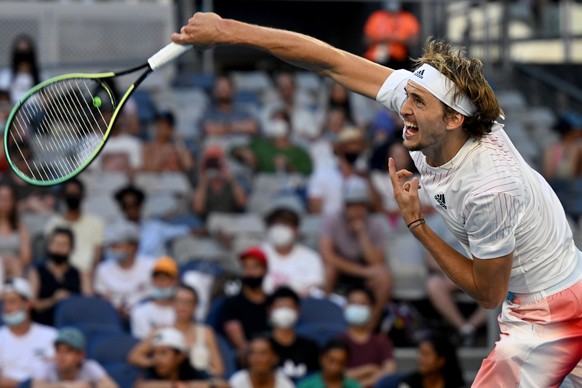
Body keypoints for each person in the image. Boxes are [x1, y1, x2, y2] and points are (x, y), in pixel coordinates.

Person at [171, 14, 582, 385]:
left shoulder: (489, 188)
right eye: (408, 95)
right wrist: (229, 30)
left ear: (455, 119)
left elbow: (487, 293)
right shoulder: (435, 118)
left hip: (548, 312)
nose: (403, 108)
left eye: (417, 102)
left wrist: (417, 226)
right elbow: (327, 59)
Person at [319, 176, 391, 329]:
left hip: (365, 268)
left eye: (360, 205)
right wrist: (363, 272)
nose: (356, 210)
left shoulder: (375, 223)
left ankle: (371, 327)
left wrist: (362, 234)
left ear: (366, 206)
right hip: (342, 269)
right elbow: (327, 256)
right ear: (345, 205)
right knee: (328, 271)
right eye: (351, 205)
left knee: (383, 276)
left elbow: (376, 261)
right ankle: (324, 321)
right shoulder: (332, 219)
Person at [128, 283, 225, 378]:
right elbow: (134, 356)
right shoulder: (161, 330)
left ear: (195, 306)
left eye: (188, 302)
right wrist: (158, 363)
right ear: (173, 303)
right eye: (180, 301)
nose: (183, 306)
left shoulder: (206, 332)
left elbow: (219, 369)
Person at [44, 178, 105, 295]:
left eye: (76, 192)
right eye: (69, 192)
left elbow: (97, 257)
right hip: (60, 273)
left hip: (87, 274)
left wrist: (91, 278)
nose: (72, 195)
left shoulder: (96, 223)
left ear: (83, 195)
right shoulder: (53, 223)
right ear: (63, 195)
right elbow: (50, 254)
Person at [94, 219, 154, 324]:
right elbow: (102, 298)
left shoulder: (151, 266)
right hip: (114, 319)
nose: (114, 249)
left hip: (146, 317)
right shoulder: (103, 269)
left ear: (133, 247)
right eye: (111, 246)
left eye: (118, 245)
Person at [0, 278, 58, 387]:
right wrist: (30, 385)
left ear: (28, 304)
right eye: (4, 302)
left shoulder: (51, 335)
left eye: (12, 302)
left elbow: (58, 374)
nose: (7, 308)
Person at [215, 247, 270, 358]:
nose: (250, 272)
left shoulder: (273, 301)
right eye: (246, 267)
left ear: (264, 270)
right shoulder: (231, 303)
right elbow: (240, 343)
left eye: (255, 267)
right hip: (248, 357)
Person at [338, 286, 396, 387]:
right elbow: (336, 374)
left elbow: (389, 371)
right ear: (345, 307)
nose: (357, 308)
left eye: (362, 304)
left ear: (372, 309)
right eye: (353, 303)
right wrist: (369, 369)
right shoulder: (338, 341)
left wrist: (357, 384)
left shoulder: (382, 342)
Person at [261, 204, 325, 296]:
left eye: (284, 224)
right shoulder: (259, 254)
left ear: (296, 230)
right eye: (275, 225)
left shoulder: (311, 258)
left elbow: (314, 290)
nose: (279, 229)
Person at [114, 185, 190, 259]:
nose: (130, 209)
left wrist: (199, 231)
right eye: (125, 206)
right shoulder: (115, 232)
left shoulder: (156, 227)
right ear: (121, 209)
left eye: (134, 205)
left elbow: (183, 230)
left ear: (141, 206)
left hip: (156, 270)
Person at [232, 108, 313, 176]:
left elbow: (306, 173)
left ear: (289, 126)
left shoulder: (299, 152)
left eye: (280, 121)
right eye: (274, 121)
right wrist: (243, 154)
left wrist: (288, 167)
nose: (277, 125)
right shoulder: (260, 145)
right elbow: (233, 150)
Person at [28, 227, 82, 326]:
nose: (58, 248)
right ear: (49, 246)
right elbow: (31, 304)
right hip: (43, 324)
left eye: (63, 244)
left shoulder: (76, 272)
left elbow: (84, 301)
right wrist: (53, 300)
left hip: (70, 324)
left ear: (71, 249)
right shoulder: (37, 270)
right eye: (55, 243)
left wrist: (70, 299)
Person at [32, 327, 118, 388]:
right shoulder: (48, 366)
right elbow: (37, 386)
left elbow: (111, 386)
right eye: (58, 351)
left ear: (80, 356)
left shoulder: (90, 366)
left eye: (67, 351)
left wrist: (91, 385)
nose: (61, 356)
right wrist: (67, 386)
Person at [135, 327, 222, 387]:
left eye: (163, 353)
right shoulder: (151, 370)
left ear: (180, 356)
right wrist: (177, 386)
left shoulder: (190, 370)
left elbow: (224, 384)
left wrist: (210, 385)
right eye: (154, 353)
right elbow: (140, 386)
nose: (157, 358)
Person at [267, 286, 320, 382]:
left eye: (289, 307)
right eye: (280, 307)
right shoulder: (262, 347)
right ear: (270, 311)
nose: (284, 311)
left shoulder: (311, 347)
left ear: (298, 311)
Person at [192, 146, 247, 221]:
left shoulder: (230, 183)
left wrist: (232, 180)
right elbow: (198, 209)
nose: (214, 167)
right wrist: (203, 182)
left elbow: (242, 203)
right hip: (211, 220)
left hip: (231, 219)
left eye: (217, 164)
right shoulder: (201, 184)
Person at [362, 0, 420, 70]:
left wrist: (397, 39)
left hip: (398, 60)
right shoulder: (376, 17)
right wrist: (382, 39)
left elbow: (414, 40)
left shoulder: (407, 18)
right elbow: (366, 40)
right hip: (376, 60)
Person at [131, 256, 179, 339]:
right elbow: (142, 342)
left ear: (175, 281)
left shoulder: (183, 310)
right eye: (158, 279)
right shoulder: (140, 310)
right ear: (152, 281)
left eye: (166, 279)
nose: (161, 284)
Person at [200, 74, 259, 140]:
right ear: (214, 92)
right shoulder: (209, 113)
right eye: (219, 87)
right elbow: (209, 130)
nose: (222, 90)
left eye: (225, 87)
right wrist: (239, 126)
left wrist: (223, 127)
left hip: (241, 143)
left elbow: (252, 128)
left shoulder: (243, 111)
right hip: (218, 145)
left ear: (232, 90)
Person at [397, 332, 465, 388]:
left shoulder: (454, 384)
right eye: (420, 353)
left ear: (441, 360)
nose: (421, 359)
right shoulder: (408, 384)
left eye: (426, 354)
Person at [229, 335, 295, 388]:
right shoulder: (237, 382)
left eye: (263, 353)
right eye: (252, 353)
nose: (257, 359)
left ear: (274, 358)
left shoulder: (285, 384)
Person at [0, 183, 31, 279]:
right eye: (2, 198)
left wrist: (12, 264)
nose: (5, 202)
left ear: (14, 202)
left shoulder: (21, 228)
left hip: (16, 269)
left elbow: (26, 257)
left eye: (8, 198)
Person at [0, 35, 41, 103]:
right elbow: (3, 100)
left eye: (26, 52)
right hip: (13, 109)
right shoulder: (6, 76)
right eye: (20, 53)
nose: (23, 56)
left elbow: (47, 98)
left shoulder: (41, 76)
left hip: (36, 110)